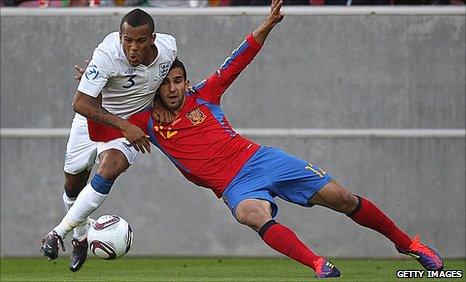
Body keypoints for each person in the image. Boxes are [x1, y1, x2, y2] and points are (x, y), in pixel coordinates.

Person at [84, 0, 443, 278]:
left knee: (343, 198)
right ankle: (320, 265)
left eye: (178, 81)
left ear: (185, 81)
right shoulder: (146, 119)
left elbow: (238, 59)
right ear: (155, 87)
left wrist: (268, 24)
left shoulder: (204, 95)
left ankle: (410, 245)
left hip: (259, 159)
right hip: (232, 186)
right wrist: (96, 85)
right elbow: (100, 129)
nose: (174, 88)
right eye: (166, 83)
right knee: (248, 213)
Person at [40, 8, 177, 272]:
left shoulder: (169, 47)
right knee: (72, 186)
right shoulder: (106, 55)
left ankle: (57, 233)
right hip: (94, 119)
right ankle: (80, 237)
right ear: (120, 36)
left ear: (153, 39)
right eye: (127, 40)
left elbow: (170, 72)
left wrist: (159, 101)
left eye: (140, 41)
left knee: (111, 168)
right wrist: (121, 123)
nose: (133, 48)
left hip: (132, 124)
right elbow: (80, 103)